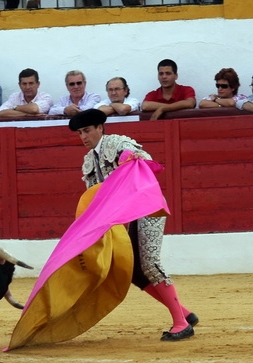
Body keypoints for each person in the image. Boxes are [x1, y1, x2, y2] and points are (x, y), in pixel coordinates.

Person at [68, 108, 197, 341]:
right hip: (126, 218)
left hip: (147, 209)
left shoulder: (117, 142)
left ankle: (181, 323)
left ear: (100, 127)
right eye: (79, 133)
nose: (83, 137)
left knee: (150, 264)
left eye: (87, 130)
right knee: (135, 273)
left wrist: (129, 157)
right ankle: (185, 314)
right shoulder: (88, 161)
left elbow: (143, 159)